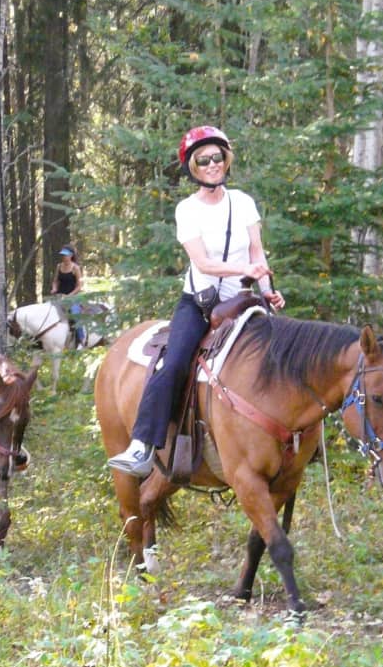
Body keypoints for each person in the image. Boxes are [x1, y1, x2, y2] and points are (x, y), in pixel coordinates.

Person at [107, 124, 285, 477]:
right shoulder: (187, 210)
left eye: (217, 157)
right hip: (200, 304)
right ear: (194, 167)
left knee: (285, 356)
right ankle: (143, 444)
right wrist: (246, 268)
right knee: (173, 364)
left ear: (226, 159)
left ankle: (297, 440)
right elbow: (203, 262)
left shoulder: (244, 203)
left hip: (245, 301)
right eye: (203, 160)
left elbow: (257, 251)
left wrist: (266, 288)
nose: (212, 165)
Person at [50, 244, 86, 347]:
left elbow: (79, 286)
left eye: (66, 255)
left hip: (73, 296)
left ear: (71, 255)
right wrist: (54, 288)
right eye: (62, 255)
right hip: (60, 295)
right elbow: (55, 281)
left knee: (75, 314)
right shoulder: (59, 266)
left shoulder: (75, 268)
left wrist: (69, 296)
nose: (64, 257)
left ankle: (81, 339)